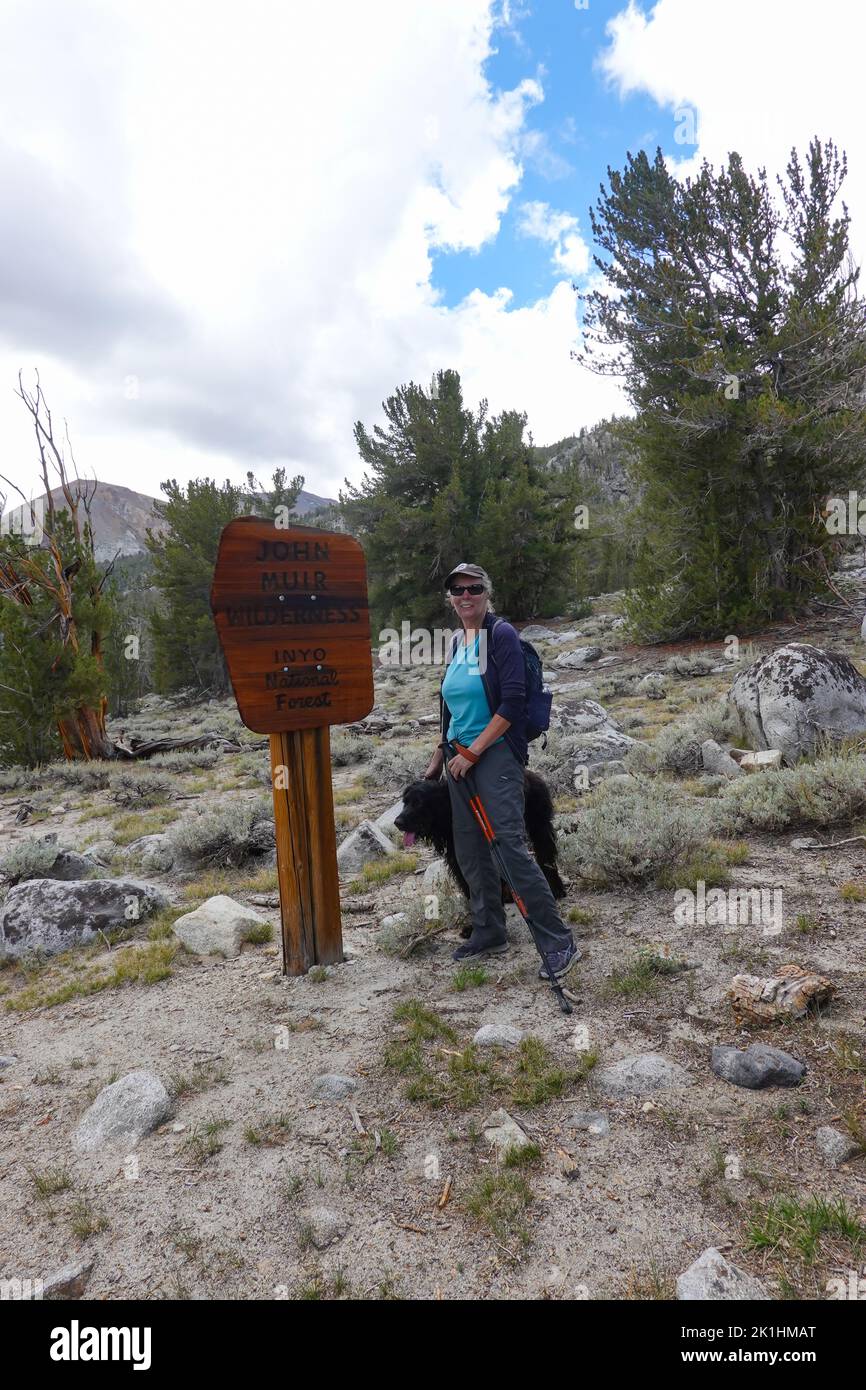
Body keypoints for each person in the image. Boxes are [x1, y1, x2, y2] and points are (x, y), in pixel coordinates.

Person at [422, 562, 580, 978]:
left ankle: (558, 940)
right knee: (469, 849)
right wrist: (440, 757)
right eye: (458, 590)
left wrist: (473, 753)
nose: (466, 596)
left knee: (508, 846)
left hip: (493, 756)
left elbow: (511, 704)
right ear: (450, 598)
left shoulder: (501, 635)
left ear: (486, 593)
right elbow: (449, 704)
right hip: (457, 758)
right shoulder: (457, 640)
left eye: (474, 588)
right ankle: (490, 929)